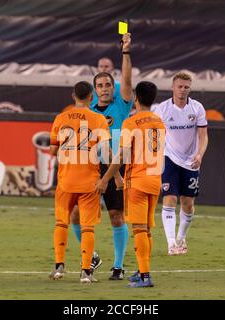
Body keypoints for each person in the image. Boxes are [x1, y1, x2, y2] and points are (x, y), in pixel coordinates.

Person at [70, 33, 133, 280]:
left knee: (116, 215)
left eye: (108, 85)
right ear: (95, 91)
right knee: (75, 214)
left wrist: (126, 52)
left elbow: (127, 79)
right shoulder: (90, 111)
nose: (105, 89)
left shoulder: (122, 104)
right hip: (92, 167)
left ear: (113, 88)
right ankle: (92, 256)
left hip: (117, 165)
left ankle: (118, 266)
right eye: (100, 86)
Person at [95, 81, 165, 288]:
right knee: (148, 230)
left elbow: (122, 155)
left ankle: (145, 276)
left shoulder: (131, 122)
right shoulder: (159, 121)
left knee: (139, 229)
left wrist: (106, 178)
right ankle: (143, 270)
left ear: (136, 97)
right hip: (155, 179)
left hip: (138, 180)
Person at [49, 81, 111, 283]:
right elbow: (105, 152)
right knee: (88, 228)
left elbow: (52, 150)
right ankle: (86, 272)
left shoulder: (60, 118)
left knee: (61, 223)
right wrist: (113, 175)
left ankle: (59, 267)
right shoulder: (99, 119)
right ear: (92, 97)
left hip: (66, 181)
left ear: (72, 95)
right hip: (89, 182)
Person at [151, 72, 208, 255]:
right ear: (173, 88)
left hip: (191, 160)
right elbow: (155, 134)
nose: (183, 90)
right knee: (169, 199)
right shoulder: (162, 109)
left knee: (188, 203)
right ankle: (171, 243)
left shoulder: (197, 108)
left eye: (186, 87)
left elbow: (203, 135)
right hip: (169, 158)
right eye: (180, 86)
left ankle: (182, 237)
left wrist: (199, 154)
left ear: (189, 88)